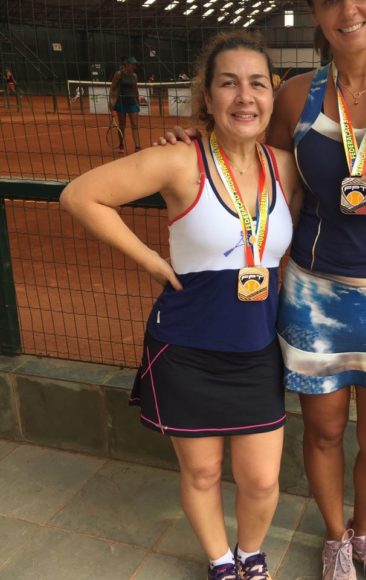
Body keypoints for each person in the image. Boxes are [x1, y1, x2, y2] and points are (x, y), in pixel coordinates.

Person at [160, 1, 366, 578]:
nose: (347, 11)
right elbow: (251, 158)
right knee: (324, 432)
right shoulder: (296, 94)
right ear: (315, 13)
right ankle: (335, 539)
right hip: (312, 295)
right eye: (329, 0)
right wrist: (194, 142)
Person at [60, 32, 302, 580]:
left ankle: (251, 556)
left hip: (257, 351)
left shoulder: (288, 168)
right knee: (202, 474)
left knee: (262, 479)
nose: (245, 96)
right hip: (187, 349)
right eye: (229, 84)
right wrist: (150, 260)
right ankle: (221, 563)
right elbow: (79, 195)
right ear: (208, 97)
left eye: (257, 84)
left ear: (272, 94)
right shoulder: (178, 159)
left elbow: (343, 213)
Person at [108, 56, 142, 154]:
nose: (135, 66)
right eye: (133, 64)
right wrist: (111, 105)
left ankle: (137, 147)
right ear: (127, 64)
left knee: (135, 125)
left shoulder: (134, 76)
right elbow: (112, 89)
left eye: (135, 65)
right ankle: (121, 145)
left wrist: (137, 101)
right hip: (121, 104)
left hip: (132, 103)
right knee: (122, 126)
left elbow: (135, 89)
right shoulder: (118, 74)